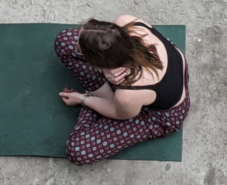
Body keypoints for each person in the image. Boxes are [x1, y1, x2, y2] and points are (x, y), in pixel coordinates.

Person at [54, 15, 190, 165]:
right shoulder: (125, 21)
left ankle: (96, 100)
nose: (78, 45)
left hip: (161, 114)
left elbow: (118, 113)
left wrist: (84, 99)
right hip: (172, 68)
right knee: (64, 41)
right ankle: (103, 94)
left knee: (78, 151)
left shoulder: (128, 95)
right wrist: (107, 72)